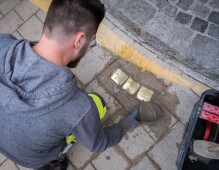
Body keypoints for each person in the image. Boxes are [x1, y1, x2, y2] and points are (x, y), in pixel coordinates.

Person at [0, 0, 140, 170]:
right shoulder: (78, 108)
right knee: (97, 104)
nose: (90, 46)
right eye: (92, 41)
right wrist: (126, 125)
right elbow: (99, 143)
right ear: (79, 40)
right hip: (36, 160)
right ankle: (54, 164)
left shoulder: (3, 43)